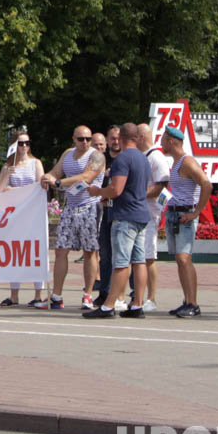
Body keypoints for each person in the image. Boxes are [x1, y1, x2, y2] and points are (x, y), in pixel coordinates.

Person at [83, 123, 150, 319]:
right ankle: (137, 304)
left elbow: (116, 189)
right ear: (137, 138)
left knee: (120, 262)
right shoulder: (143, 159)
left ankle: (108, 305)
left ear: (120, 138)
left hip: (125, 216)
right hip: (140, 213)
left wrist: (99, 192)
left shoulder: (122, 159)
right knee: (139, 261)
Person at [37, 126, 104, 310]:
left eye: (88, 139)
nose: (85, 142)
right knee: (61, 250)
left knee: (90, 252)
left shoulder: (96, 156)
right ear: (74, 139)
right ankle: (56, 297)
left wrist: (58, 183)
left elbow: (87, 177)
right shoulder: (68, 153)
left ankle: (88, 295)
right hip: (71, 207)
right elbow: (56, 171)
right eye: (81, 139)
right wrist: (47, 177)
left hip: (90, 207)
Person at [160, 126, 212, 317]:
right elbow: (174, 190)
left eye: (163, 140)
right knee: (179, 260)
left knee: (184, 258)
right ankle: (187, 300)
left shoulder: (187, 162)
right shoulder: (176, 163)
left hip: (185, 215)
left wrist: (196, 212)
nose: (161, 143)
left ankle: (193, 303)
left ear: (171, 142)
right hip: (174, 214)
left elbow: (206, 184)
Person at [0, 132, 46, 306]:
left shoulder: (35, 163)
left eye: (27, 143)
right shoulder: (8, 166)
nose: (24, 147)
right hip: (14, 214)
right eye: (20, 143)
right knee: (15, 252)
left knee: (35, 252)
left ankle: (38, 294)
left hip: (32, 213)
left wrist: (15, 191)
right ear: (14, 146)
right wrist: (7, 175)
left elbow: (40, 186)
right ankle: (14, 295)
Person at [137, 123, 170, 312]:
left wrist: (138, 194)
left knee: (149, 256)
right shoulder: (143, 156)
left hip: (150, 212)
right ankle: (140, 296)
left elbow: (161, 186)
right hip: (140, 211)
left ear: (142, 137)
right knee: (140, 256)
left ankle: (151, 298)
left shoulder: (156, 157)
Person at [94, 125, 123, 307]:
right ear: (107, 140)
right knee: (104, 255)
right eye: (112, 138)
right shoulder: (100, 161)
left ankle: (121, 295)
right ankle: (104, 292)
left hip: (120, 213)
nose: (115, 141)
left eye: (118, 138)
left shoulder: (124, 160)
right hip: (104, 212)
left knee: (121, 256)